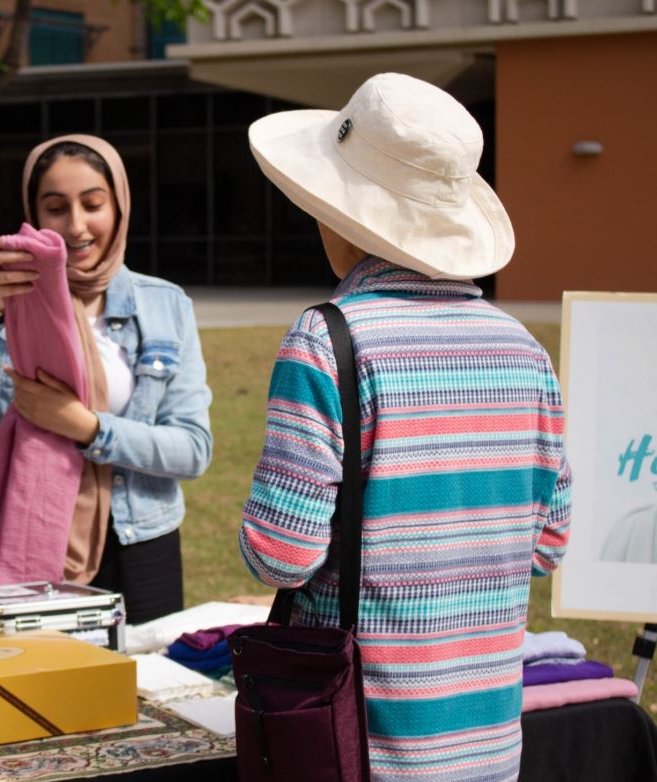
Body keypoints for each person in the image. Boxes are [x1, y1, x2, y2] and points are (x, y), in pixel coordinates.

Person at [237, 73, 571, 781]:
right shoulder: (526, 352)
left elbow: (280, 556)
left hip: (357, 740)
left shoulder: (327, 340)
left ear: (341, 217)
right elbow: (548, 546)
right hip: (487, 741)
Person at [0, 134, 213, 625]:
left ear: (119, 206)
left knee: (140, 693)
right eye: (56, 207)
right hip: (19, 529)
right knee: (20, 689)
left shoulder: (165, 304)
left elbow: (193, 449)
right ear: (33, 214)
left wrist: (88, 428)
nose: (76, 226)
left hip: (138, 541)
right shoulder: (2, 290)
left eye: (93, 204)